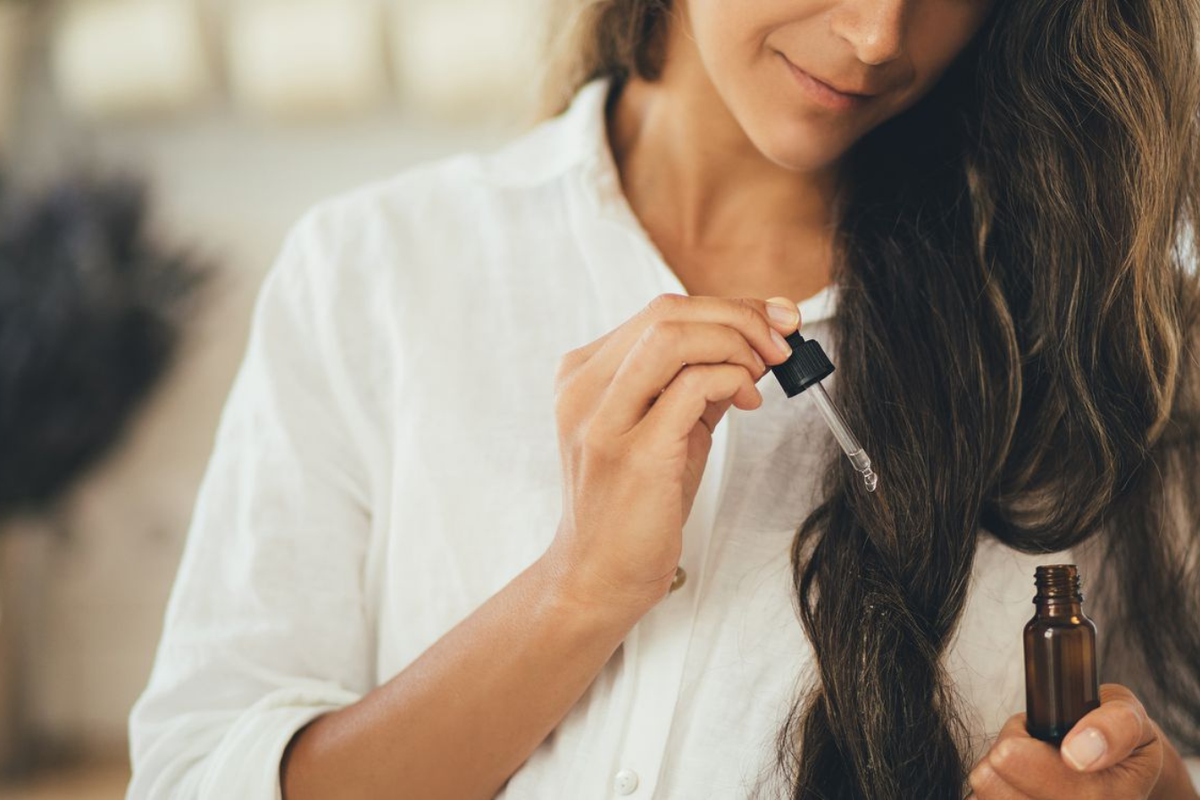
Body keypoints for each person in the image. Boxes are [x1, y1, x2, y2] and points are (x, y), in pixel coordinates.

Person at [127, 0, 1200, 798]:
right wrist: (575, 591)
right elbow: (194, 777)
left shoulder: (1111, 334)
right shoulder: (375, 272)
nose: (878, 33)